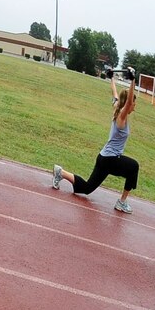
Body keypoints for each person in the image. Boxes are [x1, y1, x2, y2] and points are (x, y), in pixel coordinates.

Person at [52, 67, 140, 213]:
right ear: (128, 105)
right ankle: (121, 202)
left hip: (103, 158)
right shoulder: (122, 117)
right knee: (134, 167)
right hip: (111, 159)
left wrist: (111, 77)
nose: (134, 107)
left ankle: (61, 172)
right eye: (134, 105)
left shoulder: (116, 108)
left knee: (86, 188)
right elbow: (129, 101)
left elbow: (115, 93)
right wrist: (132, 80)